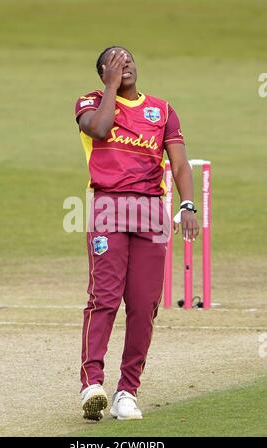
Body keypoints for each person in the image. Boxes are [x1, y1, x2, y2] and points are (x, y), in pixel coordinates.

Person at [74, 46, 199, 421]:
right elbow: (97, 128)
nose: (122, 64)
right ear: (102, 73)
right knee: (105, 298)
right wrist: (111, 87)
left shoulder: (161, 110)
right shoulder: (90, 102)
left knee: (144, 307)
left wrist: (187, 205)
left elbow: (179, 162)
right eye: (113, 62)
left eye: (127, 59)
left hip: (151, 213)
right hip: (108, 207)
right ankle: (91, 384)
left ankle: (127, 391)